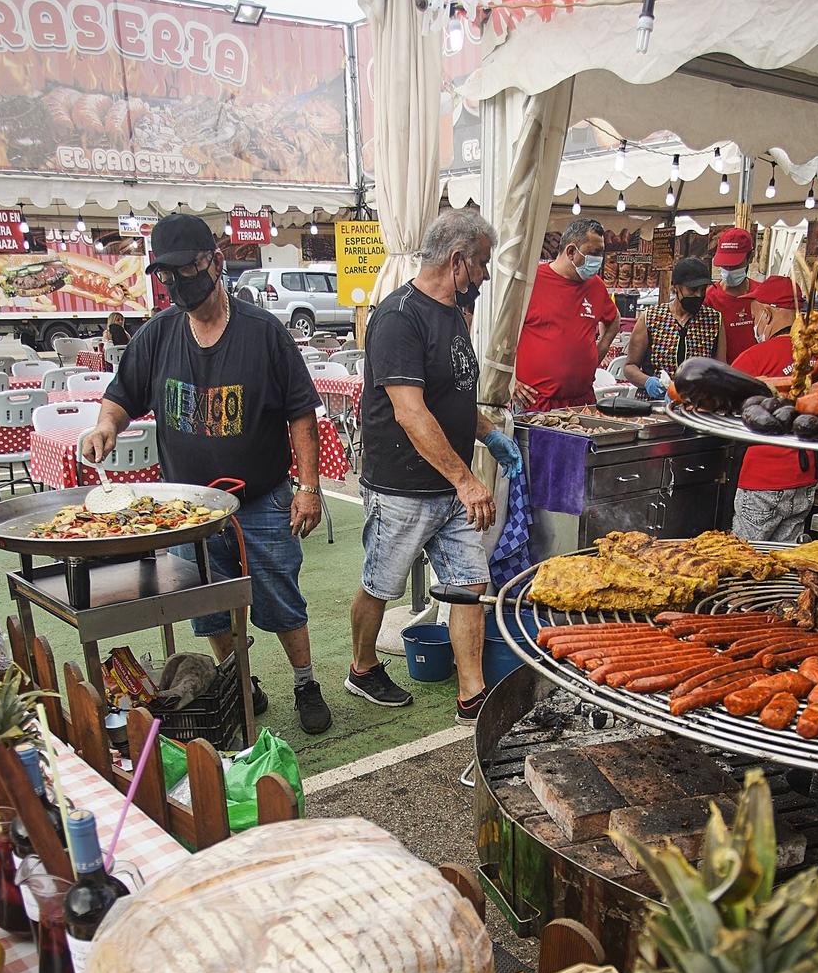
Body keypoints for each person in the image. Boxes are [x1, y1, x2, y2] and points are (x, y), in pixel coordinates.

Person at [84, 214, 333, 736]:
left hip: (262, 499)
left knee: (280, 595)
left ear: (215, 263)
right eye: (166, 275)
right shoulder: (157, 335)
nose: (177, 283)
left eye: (186, 270)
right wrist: (105, 426)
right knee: (207, 604)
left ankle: (305, 681)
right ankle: (239, 676)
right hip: (190, 510)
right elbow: (120, 397)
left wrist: (308, 489)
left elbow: (302, 415)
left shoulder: (264, 333)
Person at [348, 212, 518, 720]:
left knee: (470, 584)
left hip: (450, 487)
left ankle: (472, 693)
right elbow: (410, 411)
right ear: (458, 261)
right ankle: (361, 667)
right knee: (381, 584)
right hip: (401, 485)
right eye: (483, 264)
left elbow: (455, 397)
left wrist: (489, 434)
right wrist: (467, 481)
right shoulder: (400, 317)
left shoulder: (454, 314)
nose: (486, 276)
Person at [728, 275, 814, 545]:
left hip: (763, 476)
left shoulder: (757, 357)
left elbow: (719, 398)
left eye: (754, 315)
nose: (755, 322)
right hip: (805, 476)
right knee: (782, 563)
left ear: (766, 313)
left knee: (745, 561)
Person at [513, 218, 619, 411]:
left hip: (582, 401)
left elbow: (613, 321)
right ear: (571, 251)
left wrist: (597, 352)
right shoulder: (530, 282)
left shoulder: (596, 286)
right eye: (593, 253)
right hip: (536, 402)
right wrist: (509, 379)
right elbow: (499, 333)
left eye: (601, 253)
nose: (599, 260)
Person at [622, 256, 725, 398]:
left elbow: (721, 369)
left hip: (696, 404)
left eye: (703, 290)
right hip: (653, 403)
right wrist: (647, 381)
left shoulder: (713, 320)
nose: (699, 295)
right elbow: (630, 367)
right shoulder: (651, 317)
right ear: (675, 288)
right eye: (693, 289)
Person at [706, 226, 758, 362]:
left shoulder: (761, 295)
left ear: (750, 258)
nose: (728, 270)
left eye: (734, 265)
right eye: (725, 265)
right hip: (722, 376)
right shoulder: (709, 298)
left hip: (758, 375)